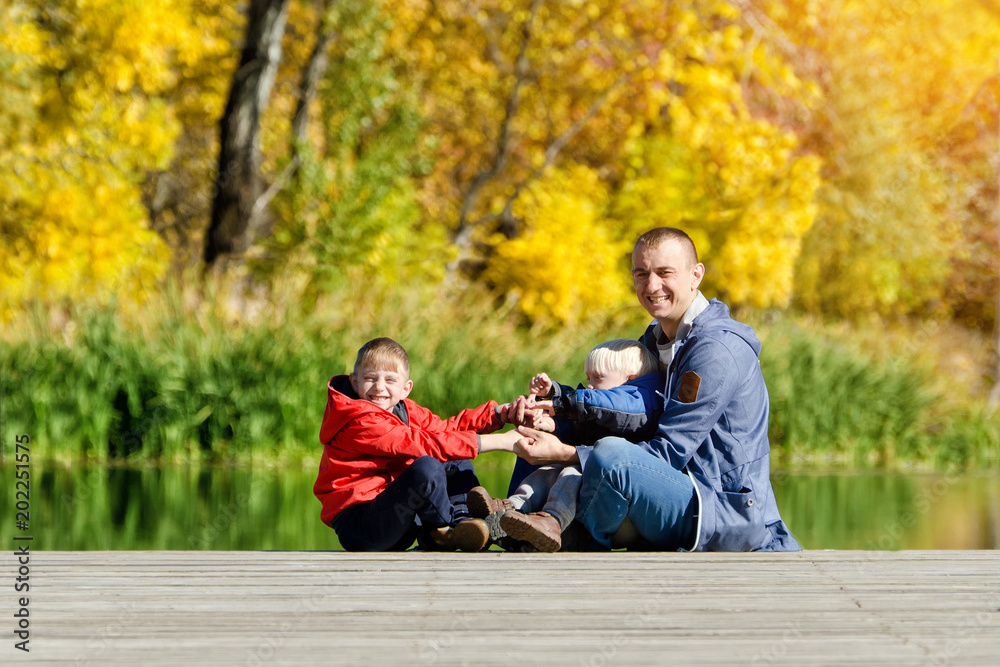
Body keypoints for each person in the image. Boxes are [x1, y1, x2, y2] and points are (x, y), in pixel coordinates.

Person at [511, 227, 801, 552]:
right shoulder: (657, 339)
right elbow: (627, 411)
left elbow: (670, 452)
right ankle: (506, 522)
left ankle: (567, 536)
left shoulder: (715, 349)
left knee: (611, 455)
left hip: (724, 510)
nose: (651, 286)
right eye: (641, 274)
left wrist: (566, 453)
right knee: (542, 430)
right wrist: (557, 413)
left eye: (664, 273)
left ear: (696, 275)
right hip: (672, 491)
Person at [313, 337, 523, 552]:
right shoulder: (357, 421)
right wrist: (503, 442)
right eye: (370, 378)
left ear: (406, 388)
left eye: (390, 380)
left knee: (455, 453)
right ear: (355, 382)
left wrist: (500, 414)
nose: (379, 387)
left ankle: (463, 522)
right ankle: (444, 528)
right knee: (428, 466)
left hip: (398, 521)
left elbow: (448, 430)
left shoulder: (405, 410)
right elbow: (420, 444)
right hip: (362, 528)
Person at [468, 339, 664, 552]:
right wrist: (552, 419)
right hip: (584, 487)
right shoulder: (598, 413)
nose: (589, 386)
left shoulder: (636, 417)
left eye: (598, 378)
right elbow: (579, 429)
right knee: (546, 472)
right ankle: (508, 509)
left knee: (570, 473)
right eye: (588, 378)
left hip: (607, 502)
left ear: (629, 381)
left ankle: (552, 519)